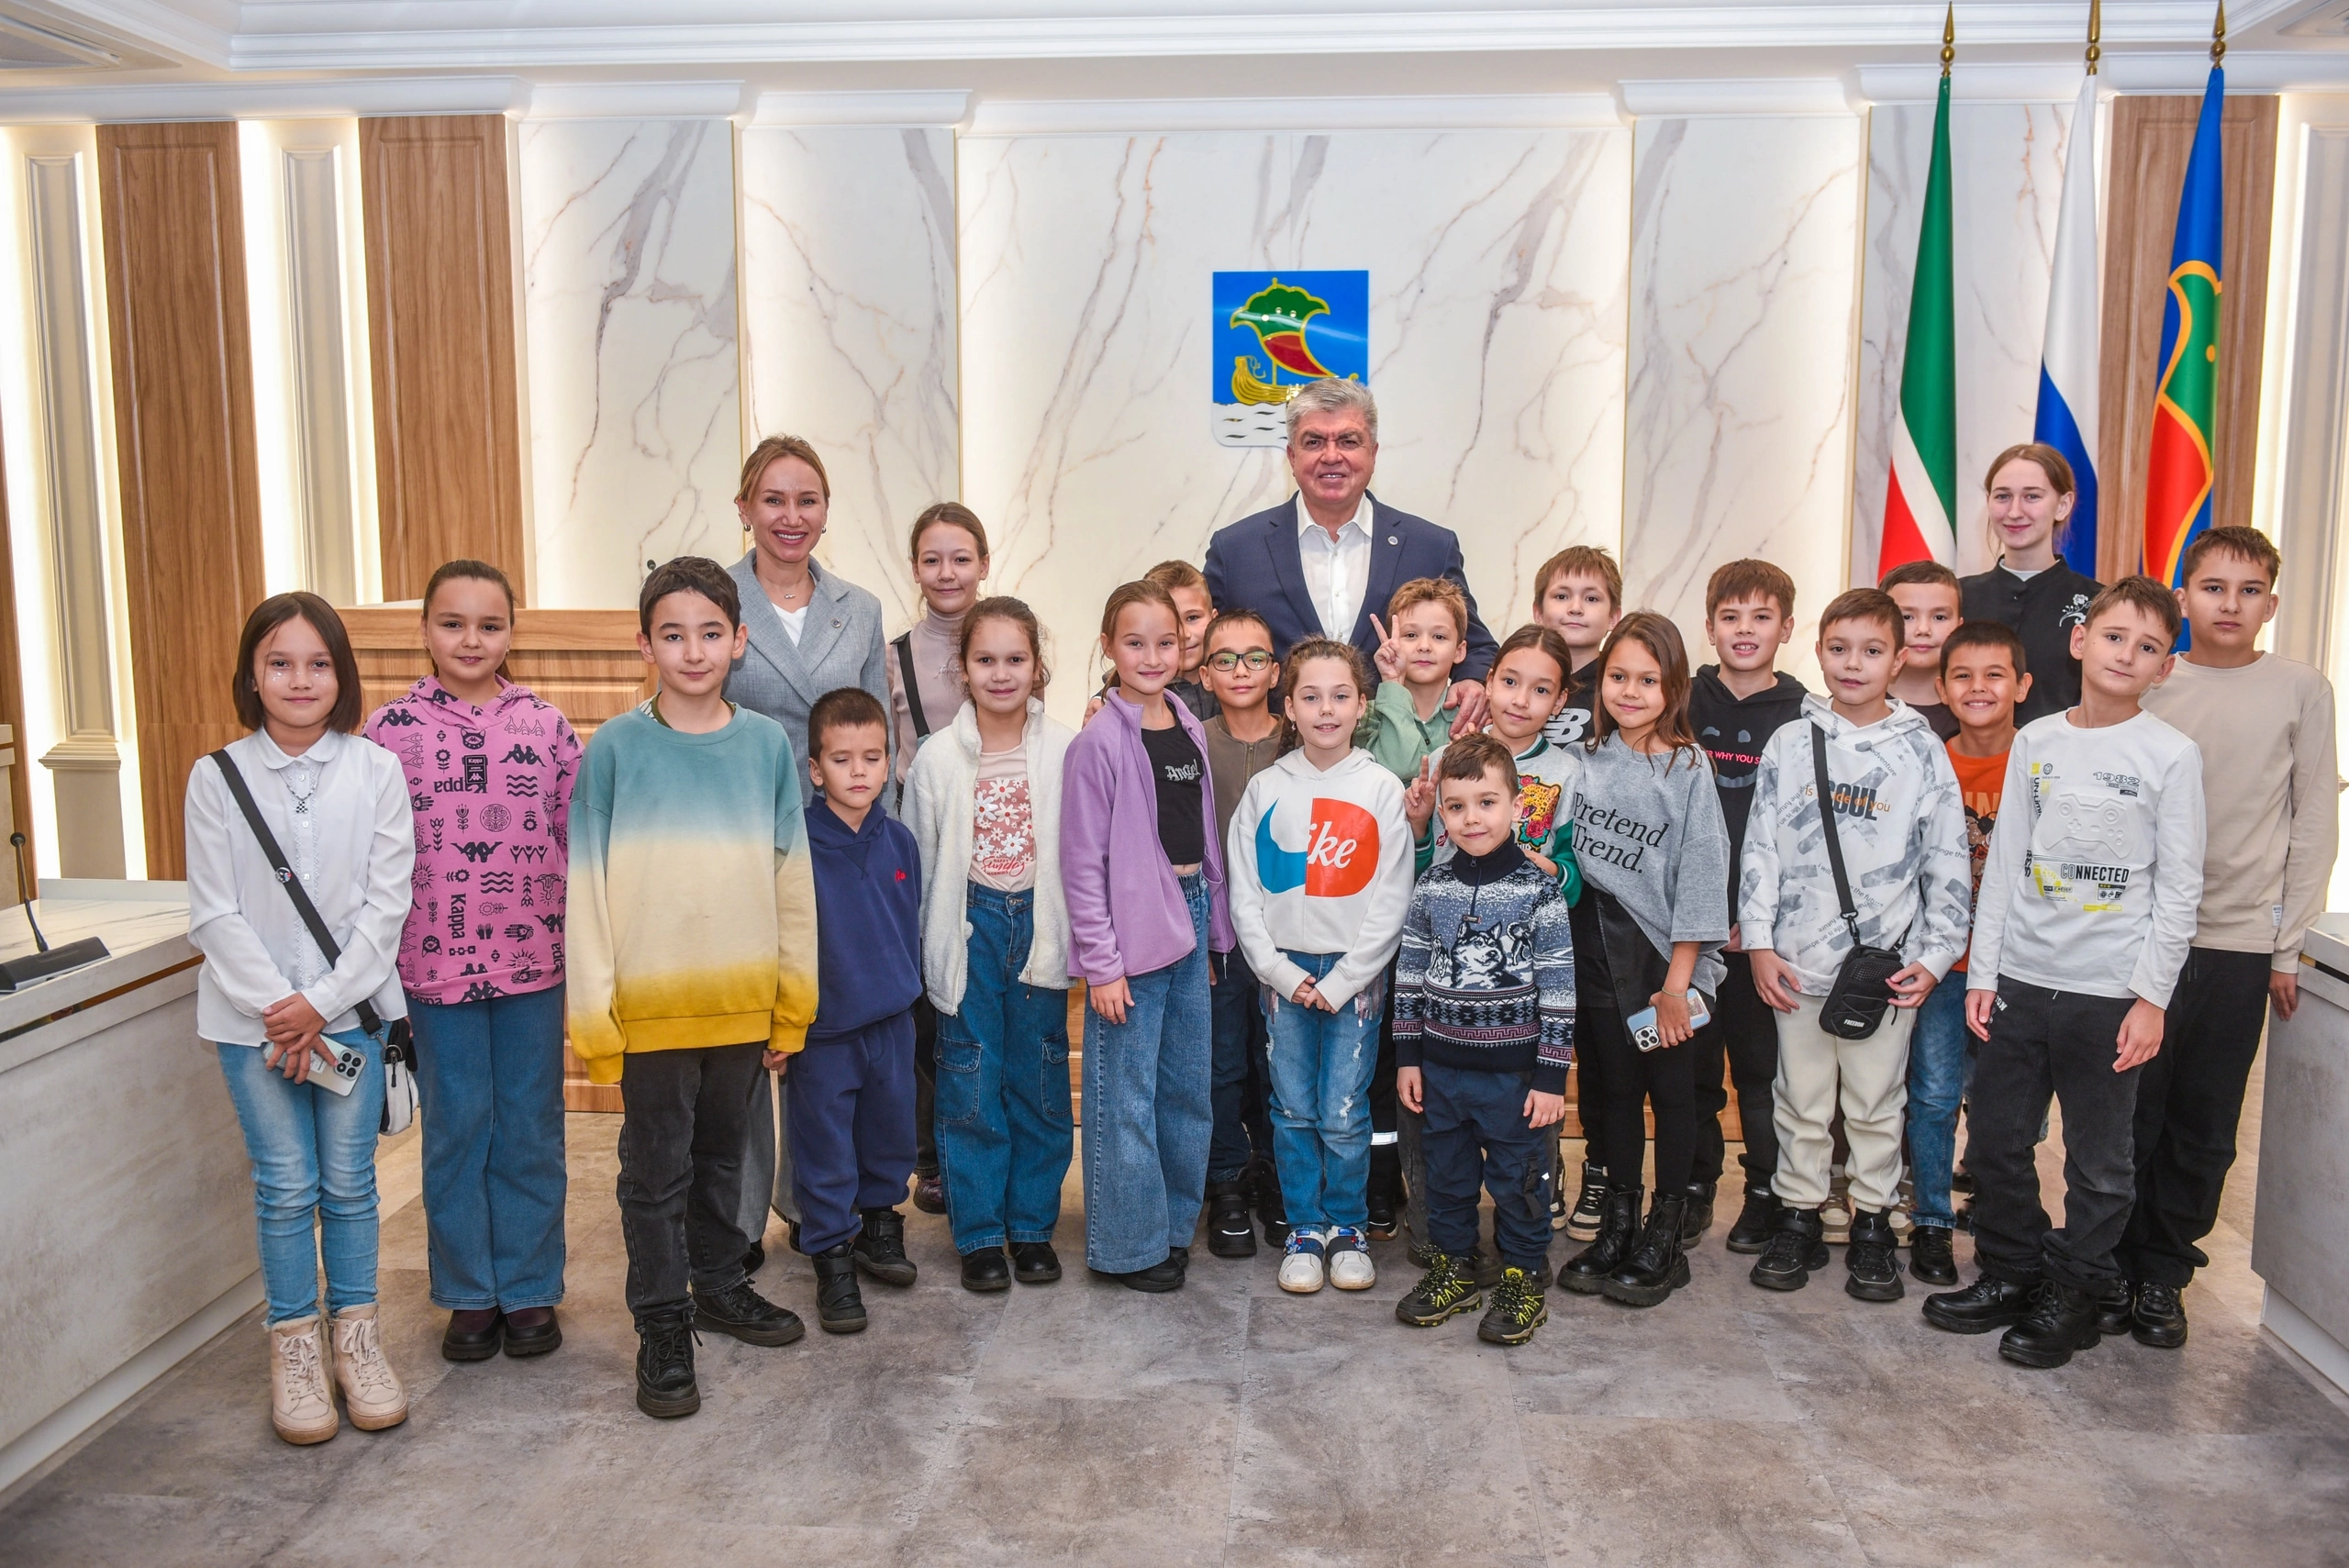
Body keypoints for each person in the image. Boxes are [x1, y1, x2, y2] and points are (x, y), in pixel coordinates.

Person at [1925, 577, 2205, 1370]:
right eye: (2114, 636)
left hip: (2109, 991)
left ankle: (2078, 1290)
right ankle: (2011, 1269)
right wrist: (1985, 972)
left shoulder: (2171, 755)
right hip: (2021, 978)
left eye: (2147, 647)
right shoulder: (2038, 741)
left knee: (2099, 1159)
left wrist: (2151, 999)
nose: (2126, 654)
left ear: (2164, 668)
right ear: (2081, 641)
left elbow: (2180, 888)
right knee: (1997, 1140)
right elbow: (2006, 862)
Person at [570, 556, 820, 1418]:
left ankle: (717, 1282)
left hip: (742, 1002)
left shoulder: (765, 747)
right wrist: (596, 1017)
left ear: (739, 640)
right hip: (651, 1012)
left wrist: (792, 1001)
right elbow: (586, 888)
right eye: (673, 635)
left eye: (711, 633)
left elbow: (792, 880)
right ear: (645, 645)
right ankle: (662, 1320)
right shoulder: (613, 749)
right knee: (654, 1172)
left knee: (723, 1155)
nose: (693, 650)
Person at [186, 593, 413, 1445]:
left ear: (342, 674)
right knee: (285, 1185)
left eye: (318, 663)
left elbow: (385, 907)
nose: (300, 679)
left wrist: (318, 1003)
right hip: (251, 1026)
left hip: (348, 1014)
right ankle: (294, 1352)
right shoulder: (216, 776)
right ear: (253, 674)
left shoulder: (376, 769)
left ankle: (357, 1343)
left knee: (350, 1184)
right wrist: (280, 1012)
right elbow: (214, 911)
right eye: (279, 662)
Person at [2120, 527, 2337, 1348]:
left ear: (2270, 605)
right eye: (2213, 587)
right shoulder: (2152, 679)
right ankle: (2107, 1258)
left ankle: (2163, 1271)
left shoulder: (2301, 689)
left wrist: (2289, 945)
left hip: (2240, 940)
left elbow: (2313, 819)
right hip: (2141, 938)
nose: (2230, 604)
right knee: (2129, 1110)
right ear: (2183, 597)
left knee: (2204, 1118)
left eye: (2249, 591)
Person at [364, 561, 580, 1364]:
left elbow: (576, 840)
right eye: (453, 623)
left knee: (530, 1126)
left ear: (511, 634)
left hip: (533, 965)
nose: (471, 640)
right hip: (432, 971)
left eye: (489, 625)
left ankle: (527, 1286)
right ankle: (467, 1292)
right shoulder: (387, 733)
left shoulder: (547, 727)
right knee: (457, 1129)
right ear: (424, 630)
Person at [1738, 588, 1971, 1302]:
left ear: (1898, 660)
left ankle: (1873, 1222)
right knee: (1800, 1100)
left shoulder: (1922, 749)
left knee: (1876, 1103)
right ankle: (1799, 1215)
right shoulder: (1790, 742)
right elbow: (1760, 846)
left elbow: (1947, 859)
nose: (1853, 663)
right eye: (1838, 648)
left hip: (1885, 971)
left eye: (1872, 651)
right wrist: (1759, 943)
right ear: (1818, 652)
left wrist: (1935, 956)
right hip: (1796, 963)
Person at [723, 436, 890, 1277]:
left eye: (808, 500)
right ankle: (739, 1213)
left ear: (826, 511)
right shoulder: (714, 601)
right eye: (775, 499)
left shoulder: (859, 608)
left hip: (835, 848)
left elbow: (877, 732)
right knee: (751, 1037)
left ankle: (813, 1200)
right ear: (745, 507)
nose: (792, 516)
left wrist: (878, 853)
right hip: (744, 847)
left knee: (824, 1036)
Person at [1061, 581, 1234, 1290]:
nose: (1152, 655)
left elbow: (1205, 839)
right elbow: (1081, 863)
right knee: (1124, 1094)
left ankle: (1169, 1228)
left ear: (1184, 646)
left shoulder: (1189, 725)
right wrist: (1102, 965)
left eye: (1166, 642)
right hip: (1131, 933)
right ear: (1108, 646)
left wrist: (1213, 933)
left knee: (1186, 1089)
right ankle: (1127, 1245)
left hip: (1189, 916)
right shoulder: (1097, 742)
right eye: (1135, 642)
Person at [1226, 639, 1413, 1295]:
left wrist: (1344, 979)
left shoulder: (1380, 788)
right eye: (1311, 696)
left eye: (1340, 696)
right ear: (1289, 707)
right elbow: (1244, 894)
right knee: (1292, 1108)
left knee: (1344, 1108)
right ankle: (1305, 1228)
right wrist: (1281, 973)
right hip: (1285, 977)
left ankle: (1348, 1227)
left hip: (1355, 980)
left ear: (1362, 705)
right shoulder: (1266, 789)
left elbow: (1392, 898)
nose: (1326, 709)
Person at [1557, 613, 1731, 1308]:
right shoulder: (1582, 756)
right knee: (1615, 1095)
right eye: (1618, 676)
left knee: (1674, 1096)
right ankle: (1619, 1225)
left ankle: (1666, 1232)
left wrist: (1677, 985)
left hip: (1664, 966)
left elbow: (1701, 878)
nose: (1630, 692)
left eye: (1648, 680)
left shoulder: (1687, 767)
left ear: (1674, 687)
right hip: (1597, 957)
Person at [907, 597, 1077, 1292]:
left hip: (1040, 926)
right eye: (985, 659)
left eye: (1015, 659)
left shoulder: (1065, 748)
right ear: (963, 667)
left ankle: (1031, 1226)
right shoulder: (936, 758)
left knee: (1039, 1080)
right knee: (970, 1077)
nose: (1000, 673)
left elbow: (1082, 853)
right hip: (968, 927)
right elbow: (922, 862)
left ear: (1037, 667)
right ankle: (979, 1233)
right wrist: (927, 949)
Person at [1392, 735, 1575, 1346]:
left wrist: (1551, 1076)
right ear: (1442, 814)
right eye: (1456, 806)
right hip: (1441, 1072)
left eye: (1487, 802)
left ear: (1517, 806)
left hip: (1515, 1079)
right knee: (1445, 1178)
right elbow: (1410, 974)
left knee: (1521, 1183)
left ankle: (1522, 1278)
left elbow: (1560, 987)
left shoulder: (1539, 890)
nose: (1472, 818)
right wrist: (1409, 1057)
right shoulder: (1432, 887)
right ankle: (1455, 1267)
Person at [1202, 377, 1497, 728]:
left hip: (1399, 752)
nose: (1331, 456)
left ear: (1373, 453)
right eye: (1314, 442)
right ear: (1292, 456)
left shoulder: (1430, 547)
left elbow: (1477, 647)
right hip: (1275, 751)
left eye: (1348, 441)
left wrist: (1472, 680)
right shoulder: (1236, 551)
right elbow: (1199, 652)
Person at [792, 687, 924, 1334]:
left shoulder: (900, 841)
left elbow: (911, 921)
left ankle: (878, 1223)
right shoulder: (795, 845)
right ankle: (831, 1254)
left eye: (872, 757)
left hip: (892, 1024)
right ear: (816, 769)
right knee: (825, 1148)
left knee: (890, 1134)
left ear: (887, 760)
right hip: (824, 1032)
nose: (859, 772)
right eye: (842, 760)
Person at [1687, 559, 1809, 1254]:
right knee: (1693, 1070)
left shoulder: (1805, 714)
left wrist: (1758, 923)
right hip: (1688, 933)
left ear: (1786, 628)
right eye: (1730, 616)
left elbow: (1806, 836)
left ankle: (1766, 1190)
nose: (1744, 629)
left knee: (1763, 1073)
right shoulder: (1681, 701)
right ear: (1709, 627)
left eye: (1761, 617)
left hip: (1767, 937)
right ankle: (1695, 1184)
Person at [1907, 619, 2032, 1288]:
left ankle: (1996, 1213)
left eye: (1994, 675)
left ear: (2022, 685)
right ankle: (1930, 1218)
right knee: (1932, 1095)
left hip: (2018, 966)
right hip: (1942, 964)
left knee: (2006, 1105)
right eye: (1963, 676)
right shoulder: (1928, 761)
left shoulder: (2040, 760)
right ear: (1941, 688)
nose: (1978, 688)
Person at [1357, 575, 1478, 1245]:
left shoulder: (1472, 722)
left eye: (1438, 635)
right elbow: (1399, 765)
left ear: (1462, 649)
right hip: (1376, 915)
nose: (1422, 645)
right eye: (1409, 634)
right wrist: (1392, 690)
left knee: (1436, 1062)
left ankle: (1439, 1194)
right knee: (1381, 1060)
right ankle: (1381, 1186)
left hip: (1449, 925)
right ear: (1390, 643)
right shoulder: (1373, 714)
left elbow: (1432, 773)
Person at [885, 502, 990, 1218]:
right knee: (928, 1010)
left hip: (998, 849)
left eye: (960, 557)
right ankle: (932, 1157)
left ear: (983, 563)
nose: (947, 572)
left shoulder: (1007, 638)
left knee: (985, 1007)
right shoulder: (891, 654)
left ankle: (988, 1143)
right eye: (932, 559)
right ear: (915, 568)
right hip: (921, 850)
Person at [1195, 609, 1290, 1257]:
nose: (1240, 670)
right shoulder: (1191, 742)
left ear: (1276, 672)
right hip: (1220, 941)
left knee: (1280, 1064)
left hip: (1291, 938)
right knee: (1222, 1064)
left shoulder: (1304, 735)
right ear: (1204, 674)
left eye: (1255, 657)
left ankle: (1281, 1180)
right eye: (1224, 659)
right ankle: (1226, 1181)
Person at [1959, 443, 2101, 725]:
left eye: (2032, 497)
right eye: (2003, 496)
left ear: (2063, 505)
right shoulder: (1957, 597)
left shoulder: (2100, 603)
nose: (2014, 512)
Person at [1532, 545, 1622, 751]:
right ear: (1538, 612)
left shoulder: (1621, 688)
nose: (1575, 609)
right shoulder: (1513, 680)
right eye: (1561, 596)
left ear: (1613, 617)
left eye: (1591, 599)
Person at [1881, 560, 1964, 740]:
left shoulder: (1975, 710)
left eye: (1939, 617)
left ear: (1959, 627)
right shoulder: (1851, 705)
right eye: (1907, 617)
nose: (1923, 629)